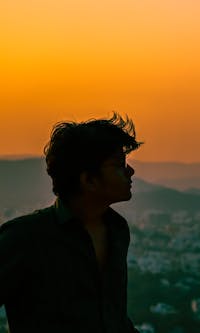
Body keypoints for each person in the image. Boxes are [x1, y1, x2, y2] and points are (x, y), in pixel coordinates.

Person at [0, 113, 142, 332]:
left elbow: (113, 316)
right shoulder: (24, 238)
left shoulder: (117, 230)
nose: (130, 171)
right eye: (119, 164)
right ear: (89, 180)